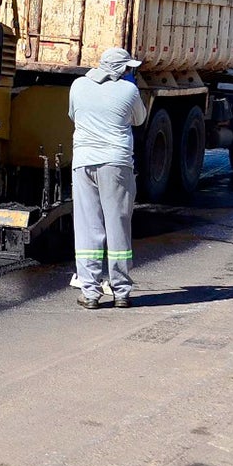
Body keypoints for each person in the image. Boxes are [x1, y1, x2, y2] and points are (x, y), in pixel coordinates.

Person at [68, 47, 148, 309]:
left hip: (83, 163)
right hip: (116, 164)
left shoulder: (78, 86)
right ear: (121, 70)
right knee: (117, 224)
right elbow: (140, 119)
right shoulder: (128, 90)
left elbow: (73, 115)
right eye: (127, 68)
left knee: (88, 226)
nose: (129, 72)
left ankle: (90, 292)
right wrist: (129, 87)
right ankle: (121, 292)